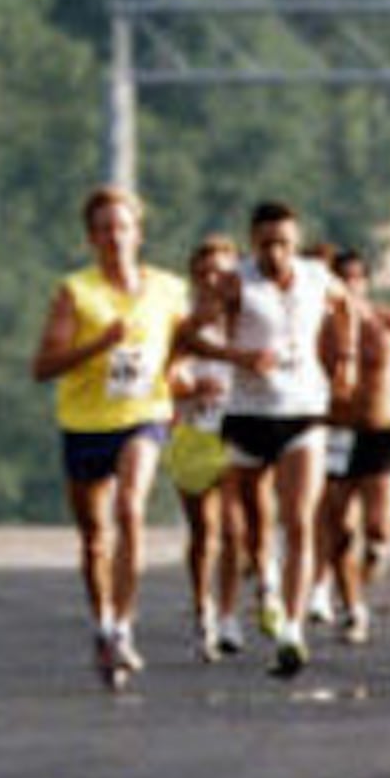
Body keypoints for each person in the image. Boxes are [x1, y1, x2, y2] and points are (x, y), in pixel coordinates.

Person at [34, 186, 190, 690]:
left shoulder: (169, 289)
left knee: (130, 509)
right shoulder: (76, 291)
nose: (114, 237)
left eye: (122, 227)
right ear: (91, 238)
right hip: (84, 424)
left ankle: (124, 626)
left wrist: (186, 378)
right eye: (104, 229)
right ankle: (102, 623)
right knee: (95, 537)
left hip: (143, 416)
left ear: (138, 233)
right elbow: (44, 366)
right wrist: (98, 344)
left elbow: (183, 348)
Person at [194, 203, 338, 678]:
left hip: (305, 412)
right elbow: (188, 337)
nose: (276, 253)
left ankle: (293, 631)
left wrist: (349, 358)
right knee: (252, 528)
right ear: (253, 243)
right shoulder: (236, 281)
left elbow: (351, 309)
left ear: (296, 242)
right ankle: (265, 584)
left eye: (284, 243)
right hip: (249, 415)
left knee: (299, 520)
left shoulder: (317, 276)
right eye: (267, 244)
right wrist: (238, 355)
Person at [315, 250, 390, 642]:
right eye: (343, 279)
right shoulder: (320, 327)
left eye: (357, 278)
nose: (350, 285)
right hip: (336, 433)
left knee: (379, 526)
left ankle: (371, 563)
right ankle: (353, 609)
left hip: (379, 432)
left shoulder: (388, 323)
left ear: (366, 282)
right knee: (338, 530)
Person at [161, 236, 246, 660]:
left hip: (238, 430)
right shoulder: (181, 322)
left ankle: (229, 615)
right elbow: (165, 372)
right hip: (194, 431)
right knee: (204, 532)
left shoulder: (249, 318)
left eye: (221, 272)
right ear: (194, 277)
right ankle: (203, 611)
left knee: (235, 529)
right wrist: (190, 386)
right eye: (204, 272)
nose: (212, 280)